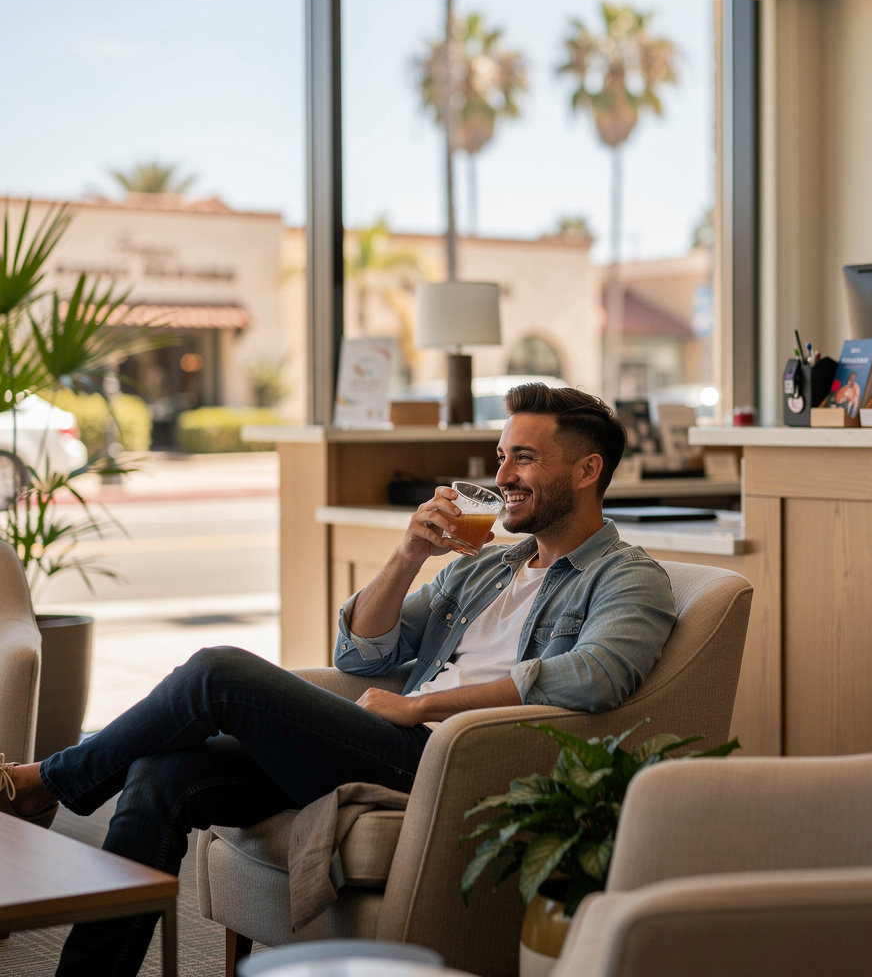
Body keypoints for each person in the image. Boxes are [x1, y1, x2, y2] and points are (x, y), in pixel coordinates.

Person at [0, 383, 676, 976]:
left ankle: (51, 782)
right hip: (389, 743)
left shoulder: (628, 576)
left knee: (218, 672)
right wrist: (410, 552)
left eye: (523, 457)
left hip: (456, 760)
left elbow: (594, 678)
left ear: (588, 470)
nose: (503, 475)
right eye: (500, 456)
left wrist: (426, 707)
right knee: (160, 774)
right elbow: (361, 653)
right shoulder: (485, 567)